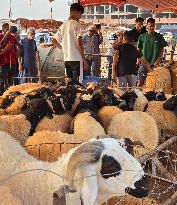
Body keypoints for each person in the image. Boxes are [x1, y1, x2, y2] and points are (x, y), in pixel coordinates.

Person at [52, 3, 87, 84]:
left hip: (67, 59)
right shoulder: (77, 24)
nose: (80, 17)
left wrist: (63, 48)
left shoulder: (63, 25)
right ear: (75, 12)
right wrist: (84, 59)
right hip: (76, 59)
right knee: (77, 84)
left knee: (69, 84)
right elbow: (80, 43)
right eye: (80, 14)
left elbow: (53, 41)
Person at [137, 18, 167, 86]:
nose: (152, 28)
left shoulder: (159, 37)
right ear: (147, 26)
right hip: (144, 64)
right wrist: (142, 61)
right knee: (140, 82)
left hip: (155, 64)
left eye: (153, 26)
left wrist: (158, 60)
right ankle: (138, 96)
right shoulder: (142, 37)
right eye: (150, 26)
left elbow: (162, 50)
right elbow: (138, 51)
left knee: (155, 83)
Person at [0, 23, 20, 88]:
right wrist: (6, 49)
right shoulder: (0, 37)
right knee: (3, 81)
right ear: (4, 30)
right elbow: (1, 45)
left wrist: (18, 51)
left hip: (12, 62)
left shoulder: (11, 37)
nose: (10, 31)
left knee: (12, 81)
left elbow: (19, 45)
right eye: (8, 30)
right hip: (3, 63)